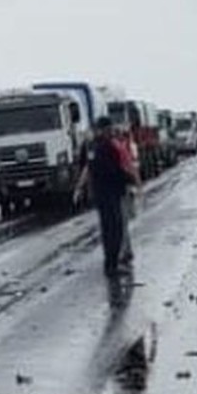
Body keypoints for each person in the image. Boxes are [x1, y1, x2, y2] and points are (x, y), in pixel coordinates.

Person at [74, 117, 142, 277]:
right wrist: (130, 179)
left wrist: (80, 187)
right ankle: (112, 265)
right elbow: (114, 170)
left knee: (109, 229)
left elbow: (88, 168)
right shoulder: (107, 146)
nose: (110, 131)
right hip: (110, 192)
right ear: (105, 129)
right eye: (108, 129)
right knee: (114, 229)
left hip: (100, 193)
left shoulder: (91, 146)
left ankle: (111, 263)